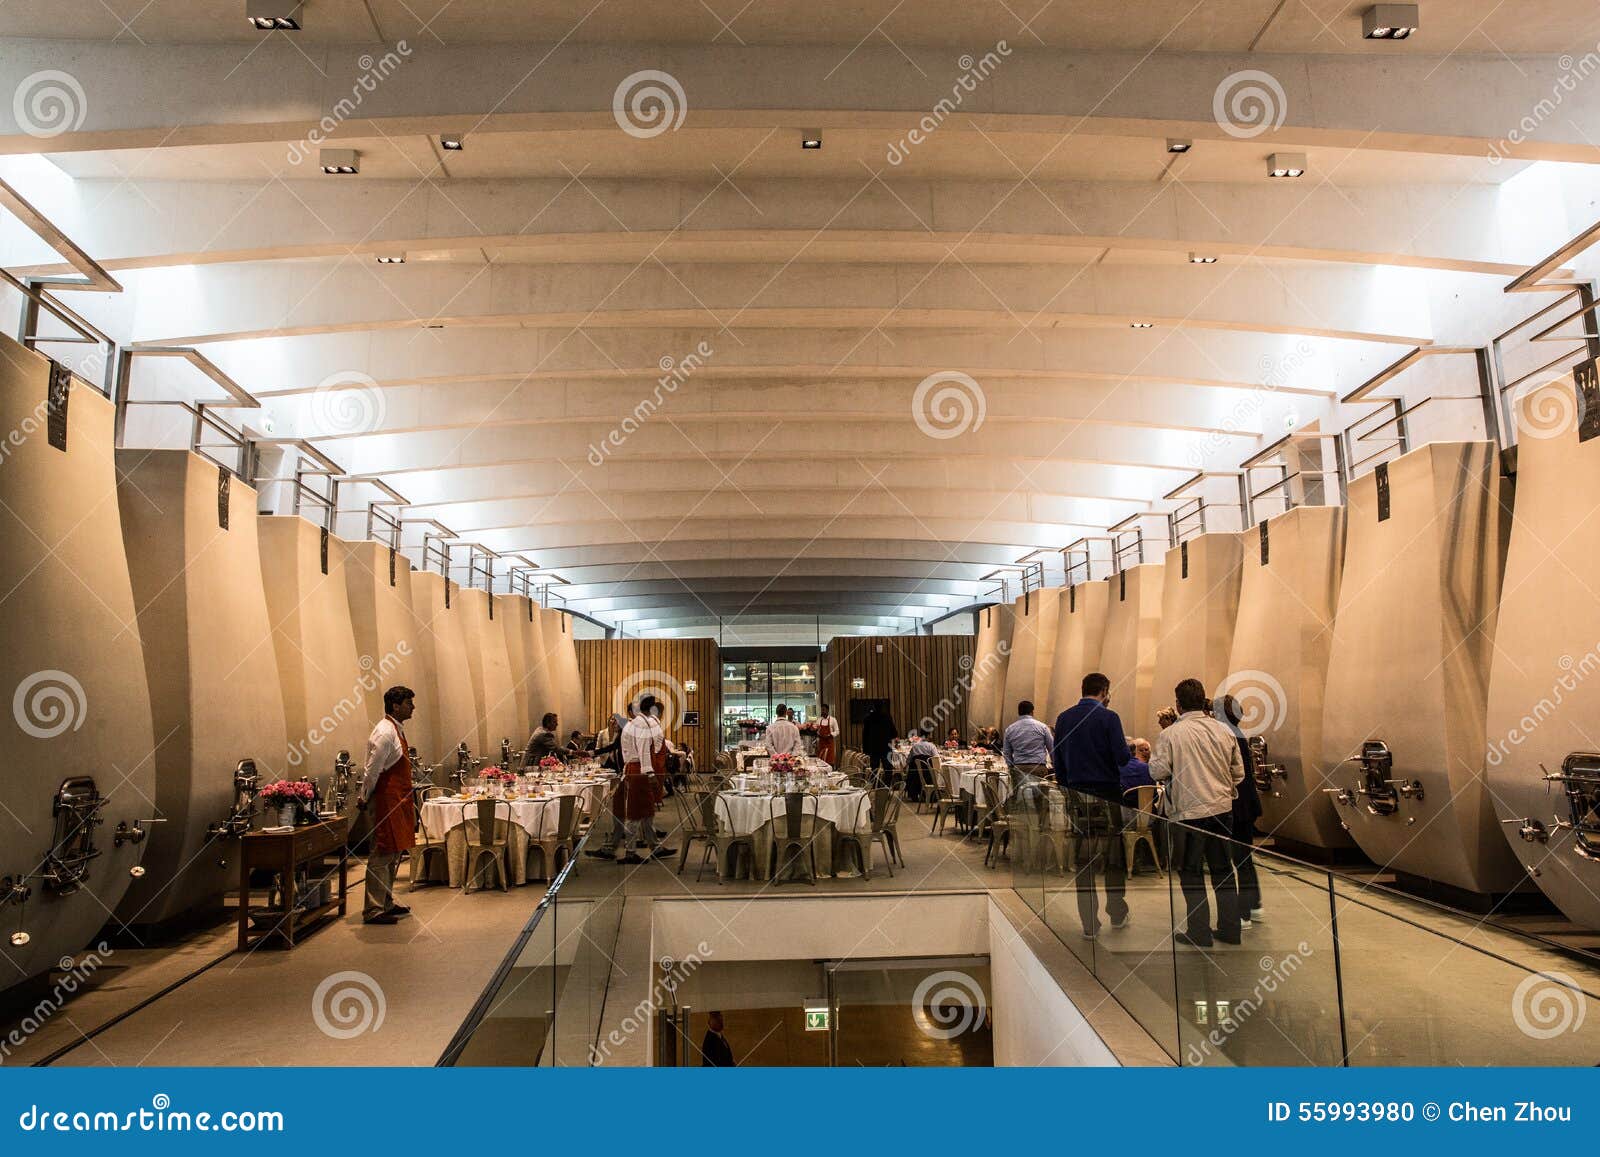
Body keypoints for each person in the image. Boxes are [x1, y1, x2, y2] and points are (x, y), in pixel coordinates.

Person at [1149, 678, 1245, 948]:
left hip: (1188, 813)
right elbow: (1238, 773)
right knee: (1223, 870)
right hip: (1222, 810)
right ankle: (1230, 928)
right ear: (1203, 700)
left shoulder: (1171, 735)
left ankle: (1199, 931)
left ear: (1178, 705)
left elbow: (1157, 771)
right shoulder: (1224, 731)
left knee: (1191, 872)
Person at [1050, 673, 1133, 938]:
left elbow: (1058, 761)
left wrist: (1068, 786)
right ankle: (1117, 912)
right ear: (1105, 691)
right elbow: (1122, 759)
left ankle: (1089, 923)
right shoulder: (1110, 718)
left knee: (1083, 859)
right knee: (1113, 857)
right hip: (1107, 794)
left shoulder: (1064, 718)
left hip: (1077, 796)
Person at [358, 685, 417, 925]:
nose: (412, 707)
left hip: (398, 799)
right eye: (408, 703)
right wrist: (364, 795)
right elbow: (372, 769)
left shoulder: (396, 729)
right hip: (385, 799)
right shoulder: (384, 731)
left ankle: (386, 901)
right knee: (382, 852)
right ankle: (373, 909)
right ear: (395, 705)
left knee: (394, 852)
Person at [1215, 695, 1264, 927]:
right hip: (1247, 803)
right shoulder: (1237, 733)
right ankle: (1253, 903)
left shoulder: (1227, 735)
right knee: (1244, 858)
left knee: (1236, 859)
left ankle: (1243, 910)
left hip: (1236, 805)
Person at [612, 694, 675, 864]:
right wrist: (650, 773)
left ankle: (655, 846)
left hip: (634, 769)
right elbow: (644, 751)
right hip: (638, 770)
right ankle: (630, 852)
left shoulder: (635, 723)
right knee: (635, 813)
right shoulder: (641, 725)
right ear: (651, 709)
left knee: (647, 811)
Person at [1001, 700, 1053, 790]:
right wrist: (1055, 764)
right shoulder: (1042, 727)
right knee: (1040, 800)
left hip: (1019, 767)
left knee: (1021, 798)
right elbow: (1052, 748)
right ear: (1032, 712)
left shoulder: (1010, 729)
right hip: (1038, 767)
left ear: (1019, 712)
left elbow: (1006, 752)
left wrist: (1011, 766)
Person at [860, 703, 899, 788]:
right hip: (886, 747)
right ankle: (887, 786)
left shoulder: (868, 718)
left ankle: (875, 786)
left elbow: (865, 735)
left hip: (873, 748)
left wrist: (865, 749)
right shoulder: (887, 717)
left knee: (874, 768)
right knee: (888, 768)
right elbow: (894, 733)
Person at [905, 729, 938, 802]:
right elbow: (937, 760)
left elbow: (908, 761)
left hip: (915, 776)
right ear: (929, 735)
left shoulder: (915, 746)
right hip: (928, 775)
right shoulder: (931, 746)